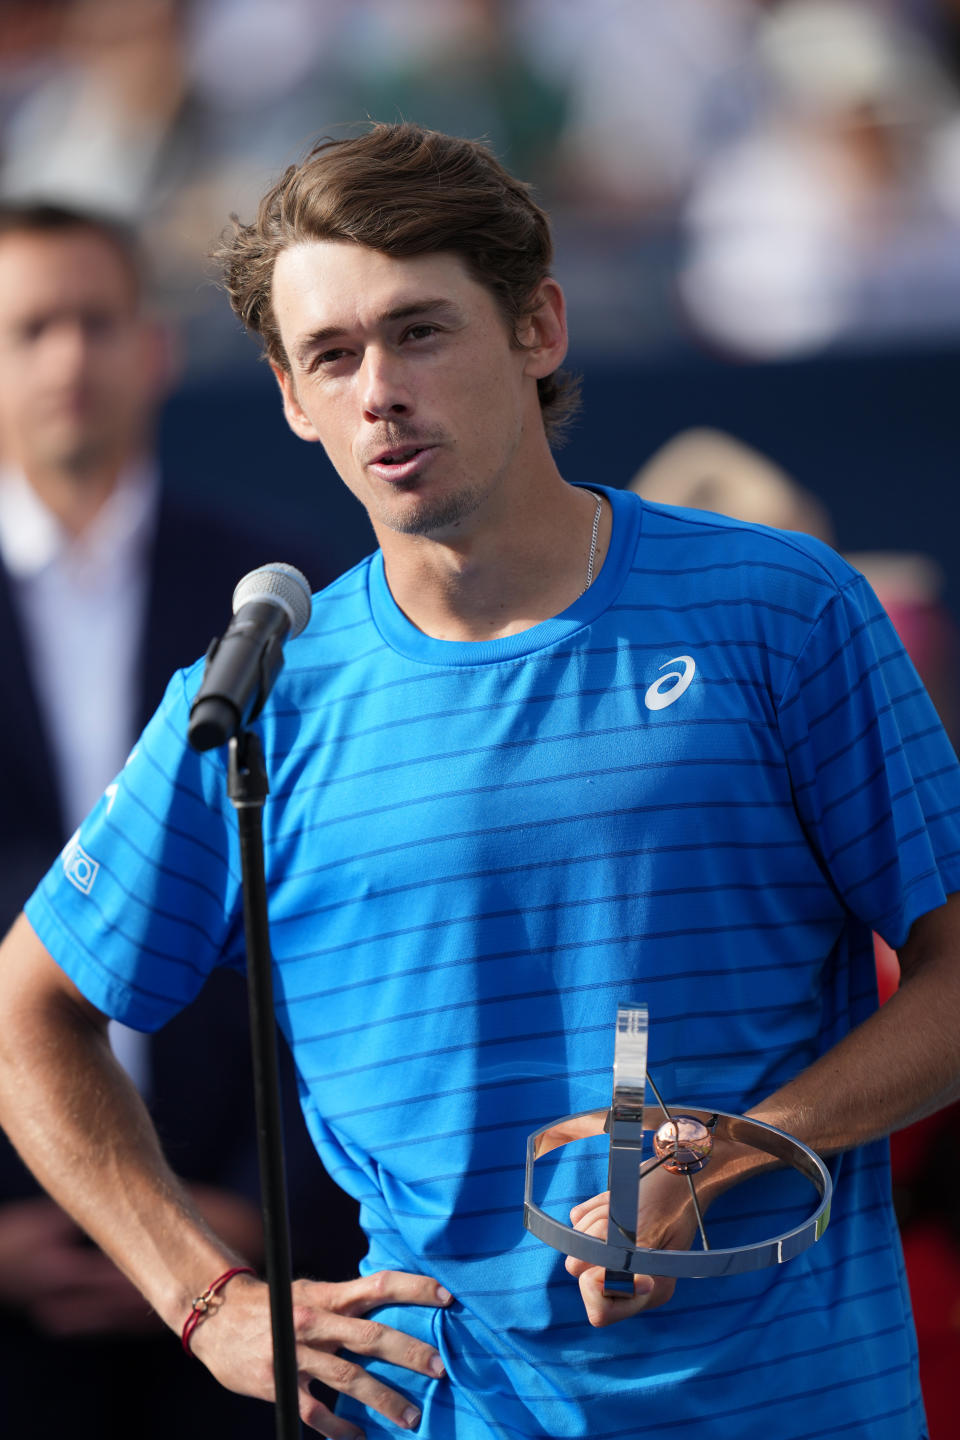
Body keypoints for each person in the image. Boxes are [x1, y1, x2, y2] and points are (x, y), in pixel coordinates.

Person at [0, 122, 957, 1440]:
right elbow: (28, 1016)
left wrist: (736, 1146)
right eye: (331, 356)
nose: (378, 389)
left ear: (541, 327)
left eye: (421, 332)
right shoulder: (258, 697)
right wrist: (206, 1300)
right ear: (287, 398)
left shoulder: (780, 608)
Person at [0, 200, 360, 1436]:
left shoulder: (288, 595)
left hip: (267, 1276)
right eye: (29, 327)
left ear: (152, 347)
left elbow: (345, 922)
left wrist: (265, 1205)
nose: (67, 359)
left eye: (96, 322)